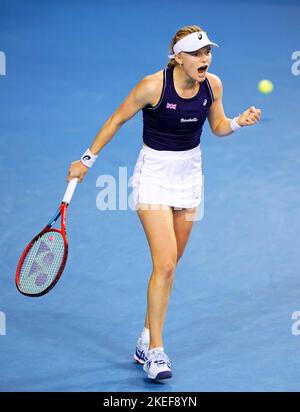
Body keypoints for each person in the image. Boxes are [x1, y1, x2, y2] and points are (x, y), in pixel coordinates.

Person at [67, 25, 261, 381]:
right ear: (178, 57)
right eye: (198, 53)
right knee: (166, 264)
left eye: (208, 53)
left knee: (171, 264)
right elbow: (116, 119)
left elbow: (216, 126)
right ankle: (156, 352)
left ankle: (144, 338)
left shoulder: (213, 85)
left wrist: (237, 122)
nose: (205, 59)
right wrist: (86, 161)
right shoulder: (152, 86)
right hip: (154, 177)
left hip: (190, 178)